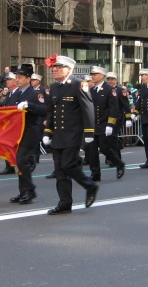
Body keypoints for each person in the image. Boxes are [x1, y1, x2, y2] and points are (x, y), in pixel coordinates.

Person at [42, 55, 98, 214]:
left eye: (59, 67)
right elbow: (52, 111)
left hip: (74, 134)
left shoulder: (78, 84)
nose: (55, 70)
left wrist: (89, 132)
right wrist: (48, 131)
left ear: (69, 69)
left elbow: (88, 108)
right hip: (59, 135)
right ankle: (65, 203)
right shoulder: (54, 87)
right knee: (60, 171)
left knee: (67, 165)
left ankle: (90, 185)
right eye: (55, 67)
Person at [6, 64, 48, 204]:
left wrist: (29, 106)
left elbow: (44, 110)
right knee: (20, 162)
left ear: (28, 79)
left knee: (21, 161)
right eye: (16, 77)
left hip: (29, 132)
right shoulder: (14, 94)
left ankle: (30, 190)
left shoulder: (35, 94)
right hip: (16, 133)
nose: (16, 80)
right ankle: (24, 192)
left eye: (20, 77)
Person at [86, 66, 125, 181]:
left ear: (102, 76)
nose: (93, 76)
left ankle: (119, 164)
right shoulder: (91, 90)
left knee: (104, 148)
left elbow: (114, 108)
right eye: (92, 74)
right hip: (93, 125)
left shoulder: (109, 89)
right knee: (92, 151)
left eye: (95, 74)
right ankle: (95, 173)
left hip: (104, 123)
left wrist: (110, 124)